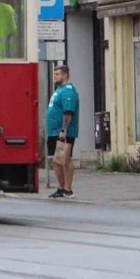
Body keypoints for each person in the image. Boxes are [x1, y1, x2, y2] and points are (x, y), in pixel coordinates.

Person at [46, 64, 79, 198]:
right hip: (53, 131)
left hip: (62, 132)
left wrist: (64, 129)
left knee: (65, 159)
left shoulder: (68, 91)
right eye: (54, 74)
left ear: (65, 75)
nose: (55, 76)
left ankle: (68, 189)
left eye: (57, 74)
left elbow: (68, 112)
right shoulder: (59, 90)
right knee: (55, 160)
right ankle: (61, 187)